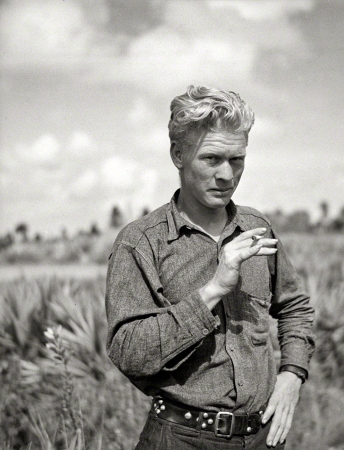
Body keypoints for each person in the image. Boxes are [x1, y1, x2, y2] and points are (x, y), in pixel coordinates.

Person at [105, 85, 315, 450]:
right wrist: (213, 291)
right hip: (179, 439)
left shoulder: (257, 227)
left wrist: (292, 374)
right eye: (212, 159)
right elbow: (128, 351)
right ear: (178, 154)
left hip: (264, 438)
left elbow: (295, 307)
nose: (227, 175)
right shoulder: (140, 243)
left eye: (237, 160)